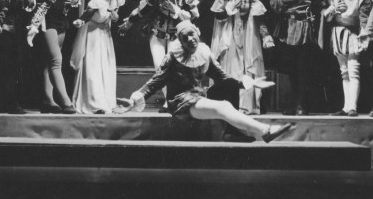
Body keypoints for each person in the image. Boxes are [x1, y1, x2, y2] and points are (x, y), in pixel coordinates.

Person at [120, 20, 293, 143]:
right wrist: (134, 99)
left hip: (198, 96)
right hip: (181, 102)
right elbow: (155, 82)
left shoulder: (204, 53)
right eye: (185, 38)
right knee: (223, 106)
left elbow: (223, 78)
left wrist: (249, 83)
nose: (190, 39)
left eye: (192, 34)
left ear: (198, 33)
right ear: (180, 41)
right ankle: (265, 130)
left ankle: (232, 133)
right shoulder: (173, 57)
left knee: (229, 85)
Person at [119, 0, 200, 110]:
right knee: (159, 66)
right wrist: (130, 21)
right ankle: (169, 99)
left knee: (173, 67)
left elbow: (193, 17)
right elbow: (145, 8)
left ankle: (172, 100)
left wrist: (177, 11)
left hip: (177, 34)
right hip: (157, 31)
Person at [26, 0, 91, 114]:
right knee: (56, 61)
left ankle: (48, 100)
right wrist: (34, 24)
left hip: (62, 19)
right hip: (48, 19)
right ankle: (65, 101)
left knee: (49, 62)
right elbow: (44, 3)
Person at [210, 0, 268, 114]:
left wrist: (266, 35)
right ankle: (230, 104)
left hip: (247, 33)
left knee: (247, 65)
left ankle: (246, 105)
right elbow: (217, 15)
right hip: (228, 33)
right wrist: (227, 11)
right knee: (231, 67)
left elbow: (259, 16)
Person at [317, 0, 372, 117]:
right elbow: (326, 14)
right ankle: (346, 107)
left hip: (354, 33)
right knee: (344, 72)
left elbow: (365, 15)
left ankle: (352, 106)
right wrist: (333, 9)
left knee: (353, 69)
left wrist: (364, 34)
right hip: (339, 32)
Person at [266, 0, 319, 115]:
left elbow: (319, 4)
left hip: (304, 29)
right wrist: (283, 0)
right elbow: (273, 5)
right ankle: (295, 103)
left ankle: (303, 104)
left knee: (304, 68)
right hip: (287, 29)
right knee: (291, 68)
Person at [69, 0, 127, 114]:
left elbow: (113, 14)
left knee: (105, 68)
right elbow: (90, 11)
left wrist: (115, 18)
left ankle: (106, 101)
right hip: (92, 34)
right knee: (93, 68)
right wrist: (81, 20)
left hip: (105, 34)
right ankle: (94, 103)